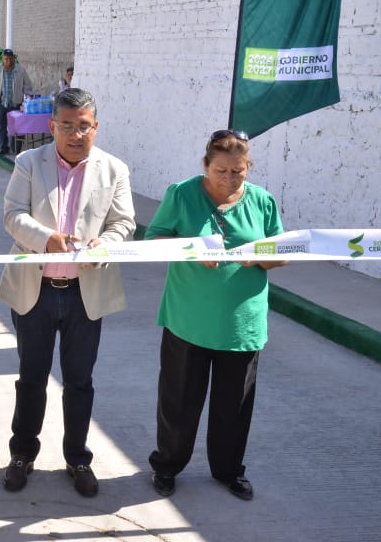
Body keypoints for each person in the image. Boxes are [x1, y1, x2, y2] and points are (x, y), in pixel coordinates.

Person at [0, 88, 135, 498]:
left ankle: (77, 458)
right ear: (52, 126)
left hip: (84, 294)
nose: (76, 135)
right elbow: (12, 215)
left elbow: (123, 223)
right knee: (32, 378)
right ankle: (22, 454)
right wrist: (45, 238)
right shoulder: (28, 162)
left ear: (96, 126)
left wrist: (103, 245)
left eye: (84, 126)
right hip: (35, 292)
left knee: (79, 381)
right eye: (67, 126)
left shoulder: (114, 169)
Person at [145, 130, 287, 501]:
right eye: (220, 170)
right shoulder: (182, 194)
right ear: (205, 164)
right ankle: (167, 465)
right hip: (188, 321)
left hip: (241, 325)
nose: (228, 179)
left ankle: (228, 470)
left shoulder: (262, 201)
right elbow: (154, 241)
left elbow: (282, 252)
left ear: (248, 168)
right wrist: (190, 249)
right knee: (178, 402)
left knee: (234, 406)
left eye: (237, 172)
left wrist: (258, 254)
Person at [0, 48, 32, 157]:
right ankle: (4, 148)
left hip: (16, 104)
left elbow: (28, 85)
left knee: (18, 127)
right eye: (5, 58)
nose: (8, 61)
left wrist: (25, 101)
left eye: (10, 58)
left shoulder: (20, 70)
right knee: (2, 127)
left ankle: (16, 149)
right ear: (2, 58)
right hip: (2, 104)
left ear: (13, 58)